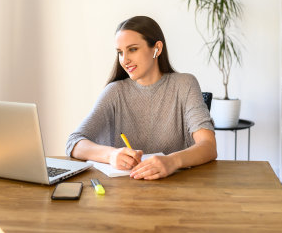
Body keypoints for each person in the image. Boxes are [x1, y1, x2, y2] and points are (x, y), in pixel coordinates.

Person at [66, 16, 217, 180]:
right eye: (120, 52)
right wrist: (111, 155)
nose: (125, 60)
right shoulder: (114, 92)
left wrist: (171, 161)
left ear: (157, 49)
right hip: (124, 194)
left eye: (132, 49)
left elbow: (208, 146)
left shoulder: (185, 84)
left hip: (176, 190)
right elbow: (74, 143)